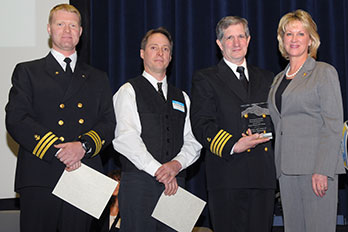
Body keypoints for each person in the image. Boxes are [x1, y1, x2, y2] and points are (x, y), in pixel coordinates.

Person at [5, 4, 116, 232]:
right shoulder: (27, 71)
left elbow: (108, 122)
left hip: (84, 174)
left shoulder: (98, 77)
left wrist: (83, 146)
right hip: (41, 174)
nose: (67, 30)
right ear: (49, 29)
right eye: (60, 24)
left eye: (73, 25)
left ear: (81, 32)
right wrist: (60, 150)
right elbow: (16, 118)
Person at [190, 16, 276, 232]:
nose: (236, 43)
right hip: (228, 175)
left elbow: (278, 121)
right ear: (220, 44)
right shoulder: (206, 78)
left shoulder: (268, 78)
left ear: (249, 40)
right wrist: (233, 145)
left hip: (262, 175)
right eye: (230, 38)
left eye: (241, 36)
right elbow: (202, 124)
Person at [112, 27, 202, 232]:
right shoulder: (128, 91)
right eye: (154, 48)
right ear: (142, 53)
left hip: (176, 184)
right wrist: (159, 171)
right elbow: (126, 139)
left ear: (170, 57)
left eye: (165, 49)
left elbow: (193, 140)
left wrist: (176, 166)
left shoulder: (183, 97)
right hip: (139, 185)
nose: (160, 53)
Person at [267, 9, 345, 232]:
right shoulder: (278, 79)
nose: (294, 39)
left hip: (315, 171)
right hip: (286, 170)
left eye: (300, 34)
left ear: (311, 39)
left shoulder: (323, 72)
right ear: (282, 39)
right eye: (289, 34)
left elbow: (332, 124)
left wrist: (322, 169)